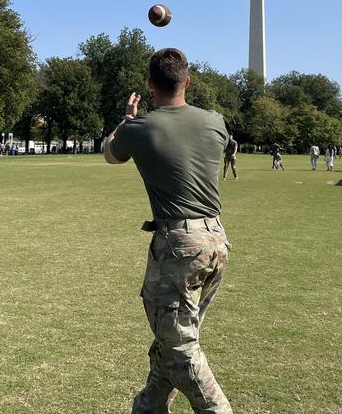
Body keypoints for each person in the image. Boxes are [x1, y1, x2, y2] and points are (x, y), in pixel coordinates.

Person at [104, 48, 233, 413]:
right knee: (173, 336)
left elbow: (110, 154)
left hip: (179, 247)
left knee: (180, 346)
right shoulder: (215, 121)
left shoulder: (139, 128)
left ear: (149, 84)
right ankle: (148, 406)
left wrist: (125, 121)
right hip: (215, 242)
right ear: (187, 81)